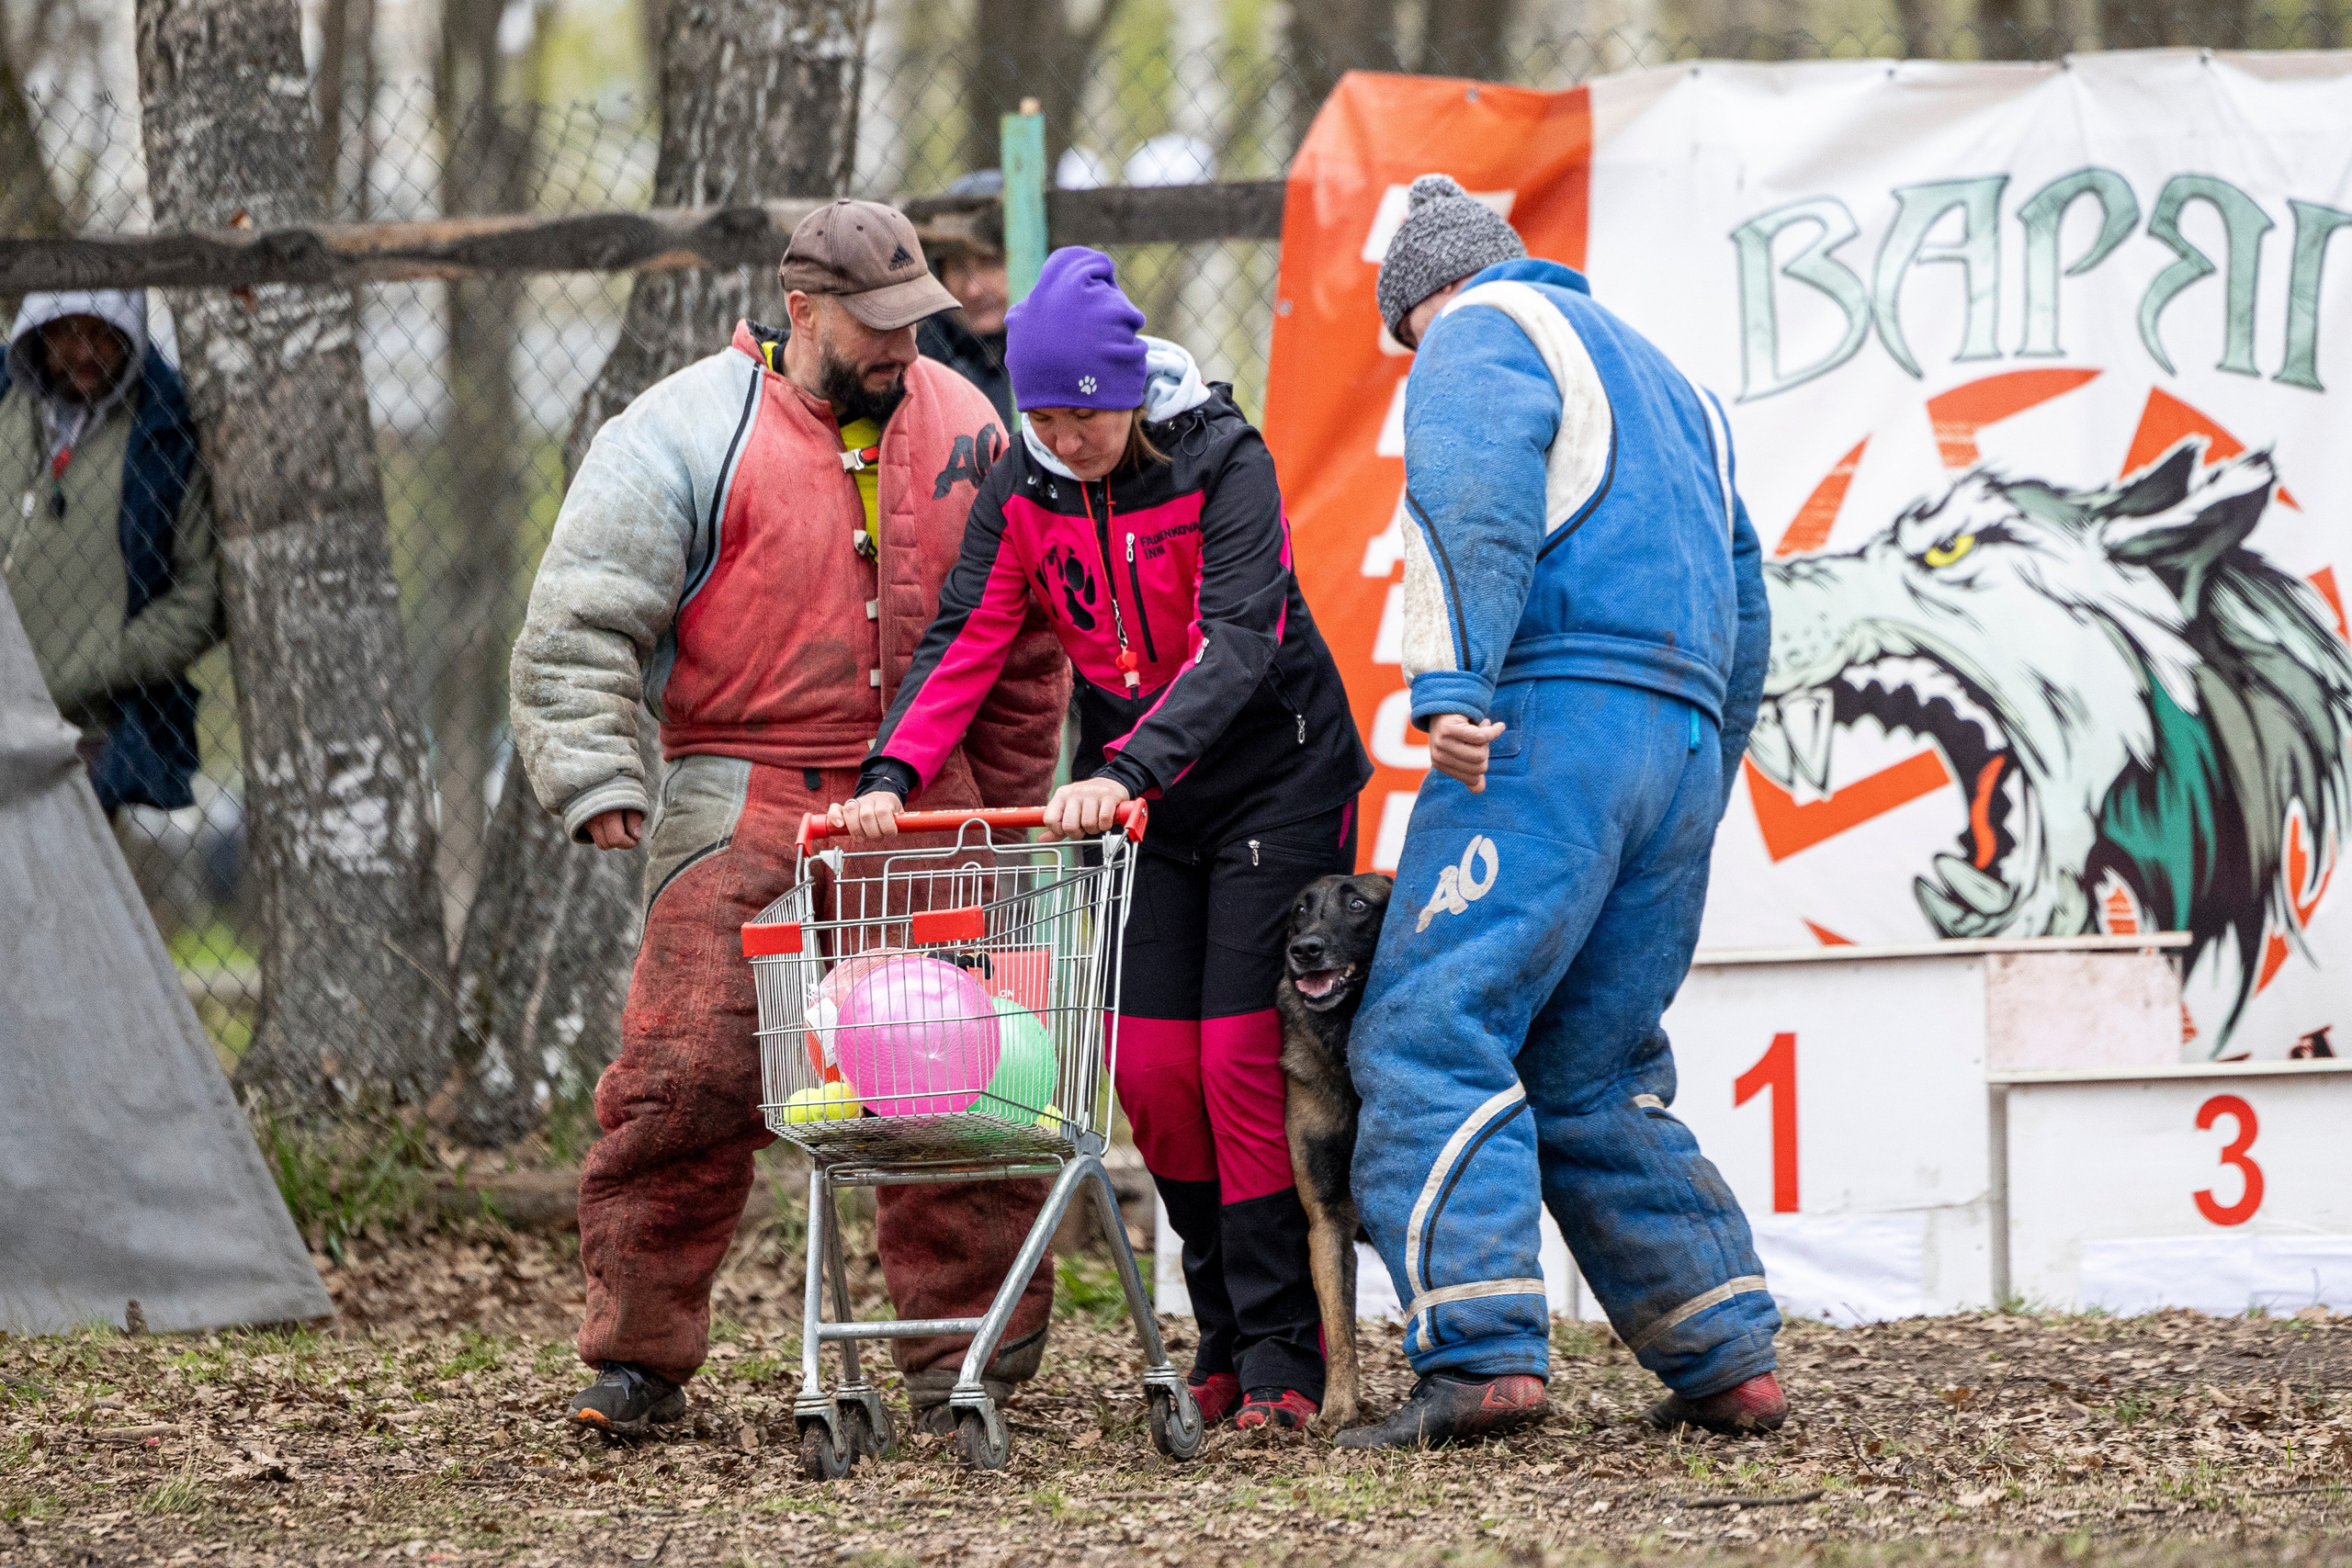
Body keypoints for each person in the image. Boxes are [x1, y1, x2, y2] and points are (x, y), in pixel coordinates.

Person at [509, 199, 1072, 1437]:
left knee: (971, 1070)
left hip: (928, 794)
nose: (900, 348)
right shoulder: (678, 430)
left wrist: (1016, 798)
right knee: (686, 1074)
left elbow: (1027, 646)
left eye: (914, 323)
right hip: (740, 786)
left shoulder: (971, 426)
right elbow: (578, 621)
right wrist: (599, 777)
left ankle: (968, 1351)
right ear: (799, 307)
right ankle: (638, 1359)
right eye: (875, 326)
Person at [833, 247, 1374, 1433]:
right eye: (1045, 410)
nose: (1065, 433)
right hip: (1143, 799)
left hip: (1273, 779)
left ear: (1130, 390)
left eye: (1086, 409)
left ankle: (1286, 1350)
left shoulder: (1225, 460)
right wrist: (889, 776)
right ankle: (1223, 1332)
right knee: (1153, 1073)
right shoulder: (1023, 486)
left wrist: (1126, 762)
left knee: (1237, 1060)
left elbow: (1239, 640)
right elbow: (967, 638)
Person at [1336, 175, 1781, 1450]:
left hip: (1548, 725)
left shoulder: (1484, 331)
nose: (1414, 361)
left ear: (1426, 299)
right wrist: (1707, 754)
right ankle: (1724, 1351)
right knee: (1596, 1060)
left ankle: (1479, 1352)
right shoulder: (1673, 383)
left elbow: (1470, 490)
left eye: (1403, 340)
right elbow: (1747, 593)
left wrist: (1453, 679)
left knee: (1431, 1023)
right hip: (1682, 739)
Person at [1, 289, 217, 815]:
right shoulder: (4, 403)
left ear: (131, 336)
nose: (84, 352)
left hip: (85, 746)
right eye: (68, 332)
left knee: (64, 898)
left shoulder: (164, 439)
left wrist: (105, 660)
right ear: (39, 333)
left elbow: (202, 596)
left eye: (102, 334)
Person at [915, 170, 1013, 423]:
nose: (973, 289)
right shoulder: (916, 364)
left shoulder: (1069, 356)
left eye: (991, 263)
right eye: (958, 267)